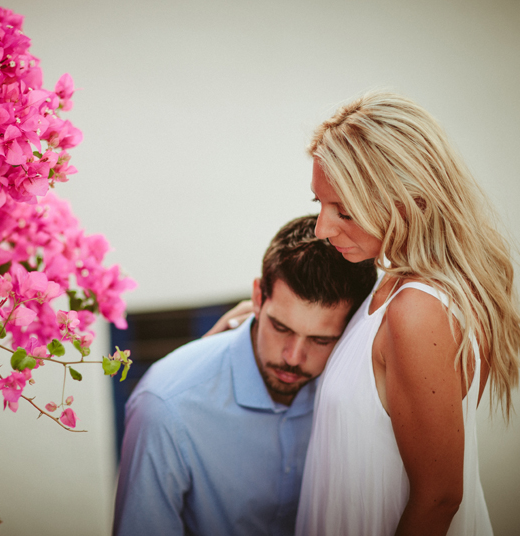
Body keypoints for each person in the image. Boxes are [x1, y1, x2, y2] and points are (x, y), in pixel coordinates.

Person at [290, 92, 520, 536]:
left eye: (344, 211)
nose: (323, 229)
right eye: (319, 205)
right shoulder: (390, 285)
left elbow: (440, 499)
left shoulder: (419, 311)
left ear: (410, 201)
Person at [112, 215, 376, 536]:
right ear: (257, 297)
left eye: (321, 340)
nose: (293, 357)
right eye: (280, 327)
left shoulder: (359, 392)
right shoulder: (165, 405)